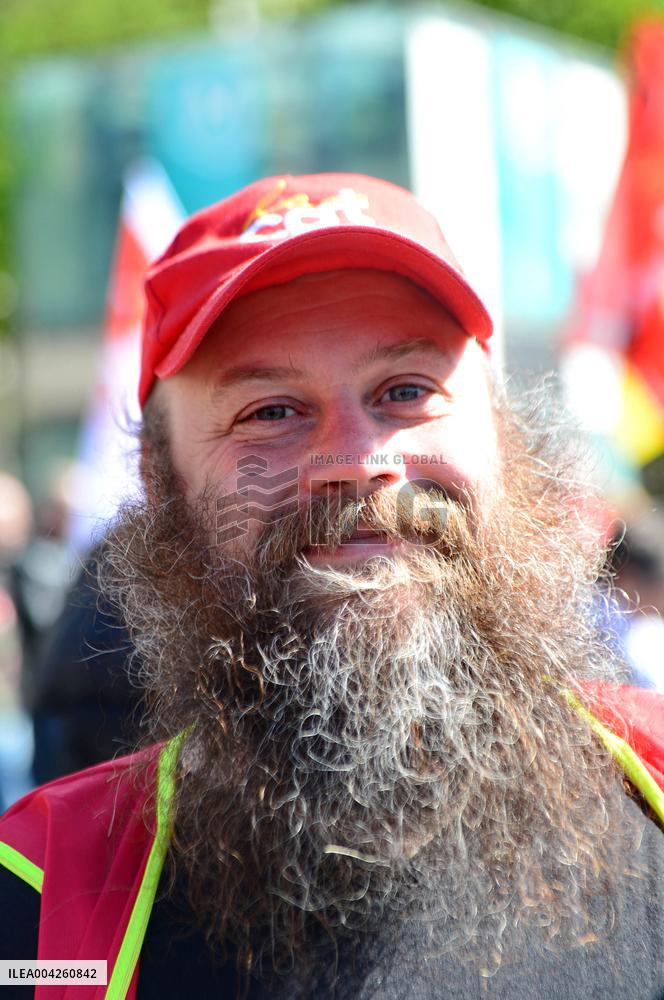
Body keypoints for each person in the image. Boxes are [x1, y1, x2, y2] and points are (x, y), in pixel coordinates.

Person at [1, 172, 664, 1000]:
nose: (359, 458)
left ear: (502, 434)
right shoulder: (32, 909)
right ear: (159, 477)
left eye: (407, 391)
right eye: (272, 411)